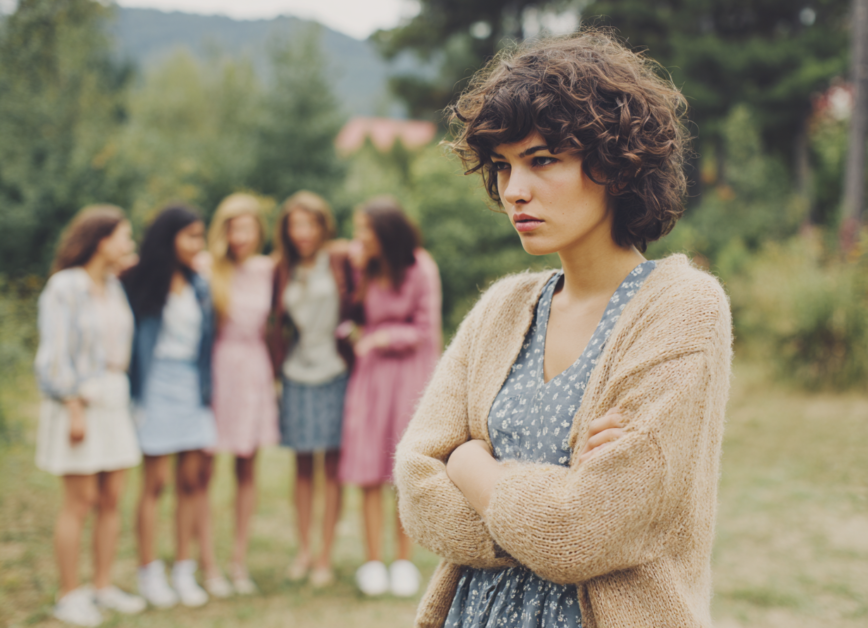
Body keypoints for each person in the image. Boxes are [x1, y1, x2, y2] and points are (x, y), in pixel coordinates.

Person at [393, 31, 733, 628]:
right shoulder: (502, 307)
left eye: (543, 160)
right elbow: (417, 485)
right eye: (502, 166)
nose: (514, 191)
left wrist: (473, 465)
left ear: (616, 165)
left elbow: (581, 532)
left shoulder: (682, 309)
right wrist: (551, 494)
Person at [34, 206, 147, 627]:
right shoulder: (65, 287)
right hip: (78, 404)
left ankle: (102, 586)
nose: (129, 244)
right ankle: (69, 593)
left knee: (112, 498)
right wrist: (73, 407)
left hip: (114, 401)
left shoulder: (113, 285)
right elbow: (54, 355)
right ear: (102, 240)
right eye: (125, 236)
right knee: (79, 502)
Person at [122, 204, 231, 609]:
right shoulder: (138, 282)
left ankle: (183, 568)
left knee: (191, 481)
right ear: (169, 240)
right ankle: (149, 572)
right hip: (155, 387)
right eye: (191, 237)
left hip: (192, 388)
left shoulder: (200, 284)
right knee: (154, 484)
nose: (197, 245)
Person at [339, 197, 442, 598]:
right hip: (370, 377)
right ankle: (371, 561)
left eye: (365, 229)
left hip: (409, 376)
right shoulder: (362, 264)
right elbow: (350, 310)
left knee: (402, 471)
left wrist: (383, 337)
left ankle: (401, 560)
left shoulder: (420, 267)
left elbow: (426, 328)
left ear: (386, 232)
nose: (358, 236)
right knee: (368, 468)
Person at [269, 191, 358, 588]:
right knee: (302, 466)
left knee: (333, 468)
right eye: (295, 225)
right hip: (296, 374)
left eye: (310, 224)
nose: (302, 232)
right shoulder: (281, 269)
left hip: (337, 371)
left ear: (324, 226)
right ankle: (304, 551)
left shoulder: (341, 260)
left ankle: (325, 555)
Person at [207, 192, 279, 594]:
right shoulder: (208, 268)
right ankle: (207, 562)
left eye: (248, 226)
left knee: (247, 467)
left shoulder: (268, 269)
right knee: (204, 470)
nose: (241, 235)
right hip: (218, 368)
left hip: (254, 369)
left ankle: (238, 561)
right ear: (224, 230)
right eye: (233, 227)